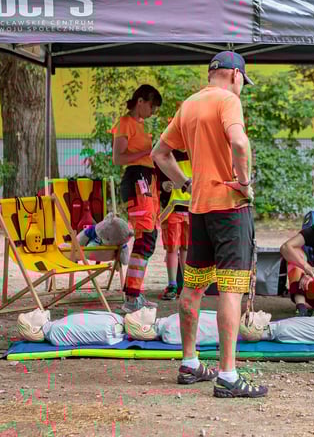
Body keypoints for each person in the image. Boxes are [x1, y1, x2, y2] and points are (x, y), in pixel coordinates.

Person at [152, 50, 267, 399]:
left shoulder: (189, 105)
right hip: (231, 209)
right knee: (230, 289)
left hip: (199, 209)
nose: (242, 88)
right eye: (242, 82)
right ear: (234, 75)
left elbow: (160, 153)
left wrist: (186, 182)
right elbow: (239, 142)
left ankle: (189, 363)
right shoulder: (228, 101)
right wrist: (244, 181)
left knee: (194, 288)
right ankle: (228, 375)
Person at [113, 84, 163, 314]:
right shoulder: (125, 123)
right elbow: (118, 158)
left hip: (148, 181)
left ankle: (135, 293)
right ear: (140, 101)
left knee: (149, 238)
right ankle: (131, 297)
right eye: (151, 106)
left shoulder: (141, 125)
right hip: (135, 181)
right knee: (144, 239)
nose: (152, 111)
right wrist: (146, 153)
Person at [157, 149, 192, 300]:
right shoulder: (166, 150)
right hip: (171, 209)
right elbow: (157, 174)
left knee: (186, 248)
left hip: (192, 208)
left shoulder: (196, 149)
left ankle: (187, 285)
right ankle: (173, 284)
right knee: (172, 248)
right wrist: (163, 184)